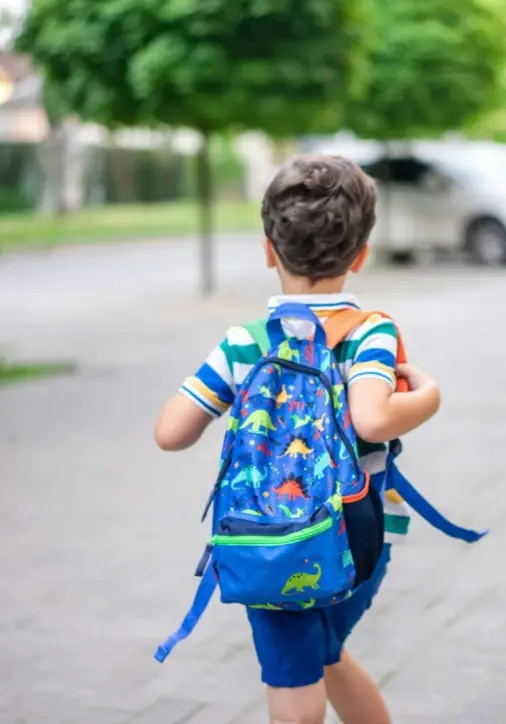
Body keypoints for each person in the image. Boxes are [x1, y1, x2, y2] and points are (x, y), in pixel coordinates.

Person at [154, 154, 442, 724]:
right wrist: (430, 397)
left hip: (268, 541)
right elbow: (373, 420)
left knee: (295, 691)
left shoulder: (244, 342)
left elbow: (170, 433)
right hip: (361, 538)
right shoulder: (371, 333)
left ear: (268, 250)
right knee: (325, 652)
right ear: (360, 256)